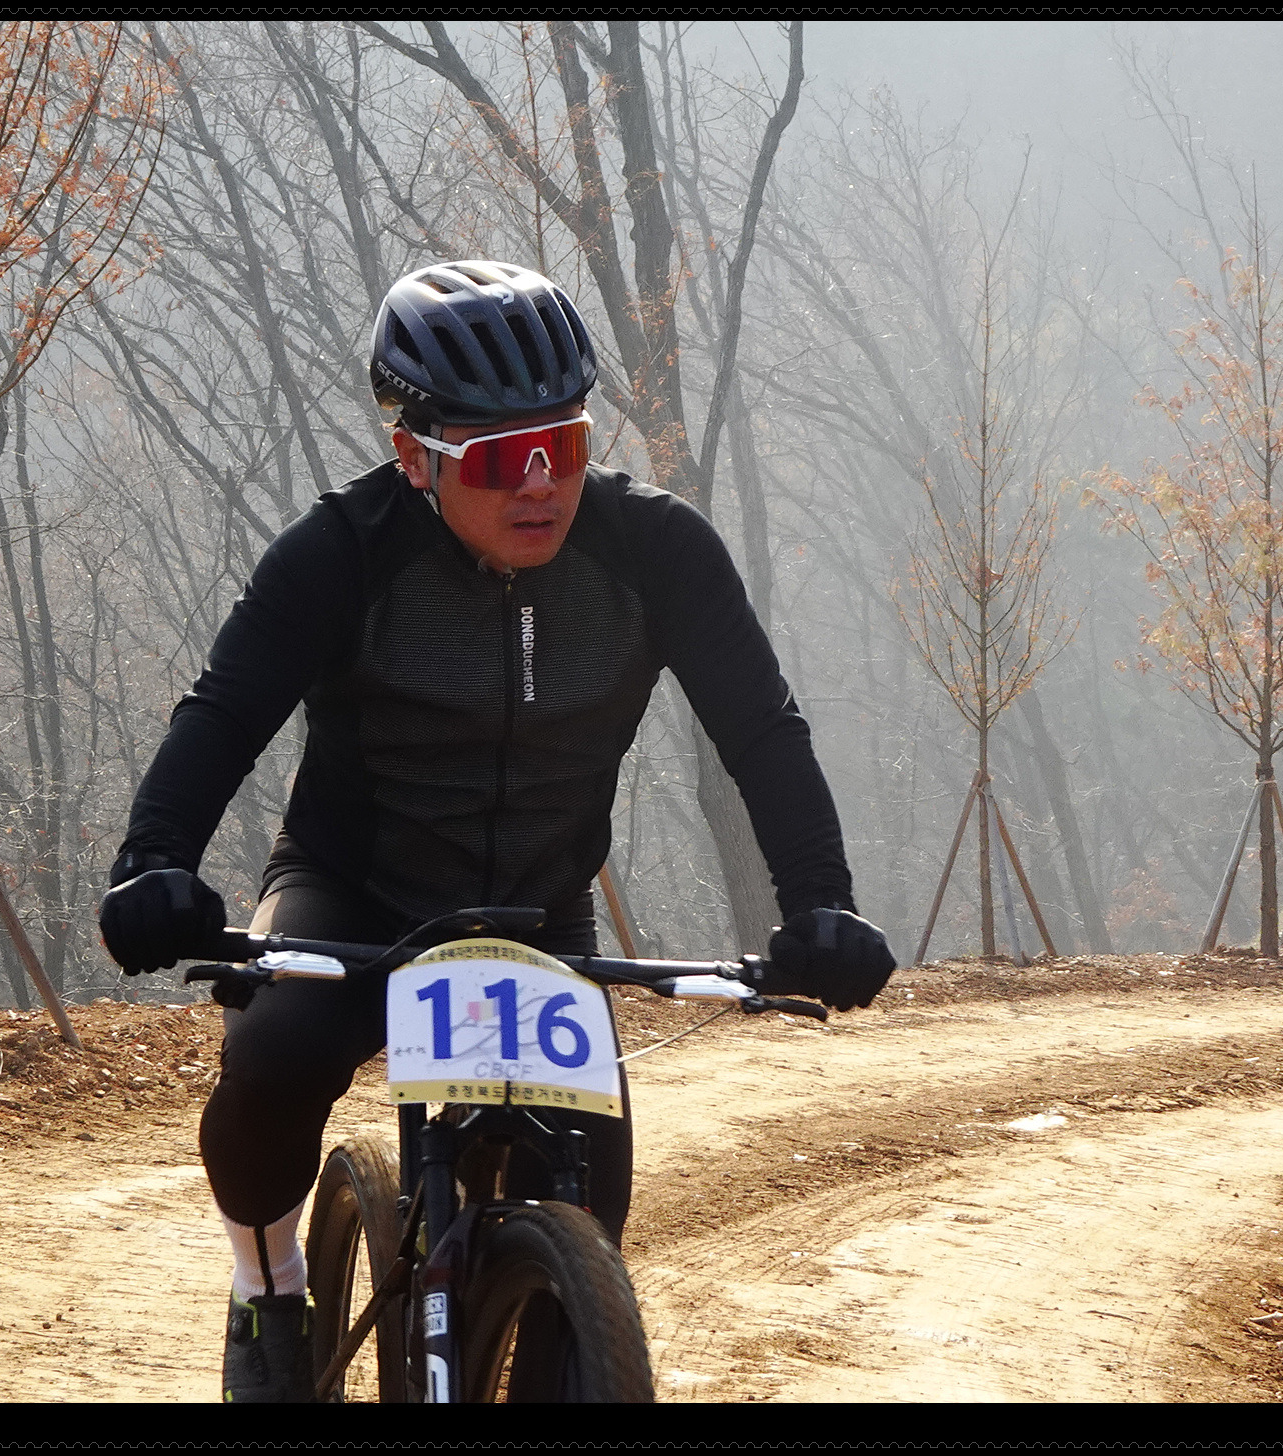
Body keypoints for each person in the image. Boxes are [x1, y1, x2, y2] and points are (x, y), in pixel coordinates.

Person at [95, 260, 897, 1402]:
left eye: (561, 447)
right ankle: (268, 1285)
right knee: (272, 1065)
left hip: (537, 910)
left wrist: (820, 902)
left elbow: (761, 732)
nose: (538, 485)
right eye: (494, 460)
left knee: (591, 1196)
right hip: (356, 891)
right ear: (413, 456)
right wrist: (152, 865)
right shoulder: (340, 553)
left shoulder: (655, 551)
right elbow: (221, 716)